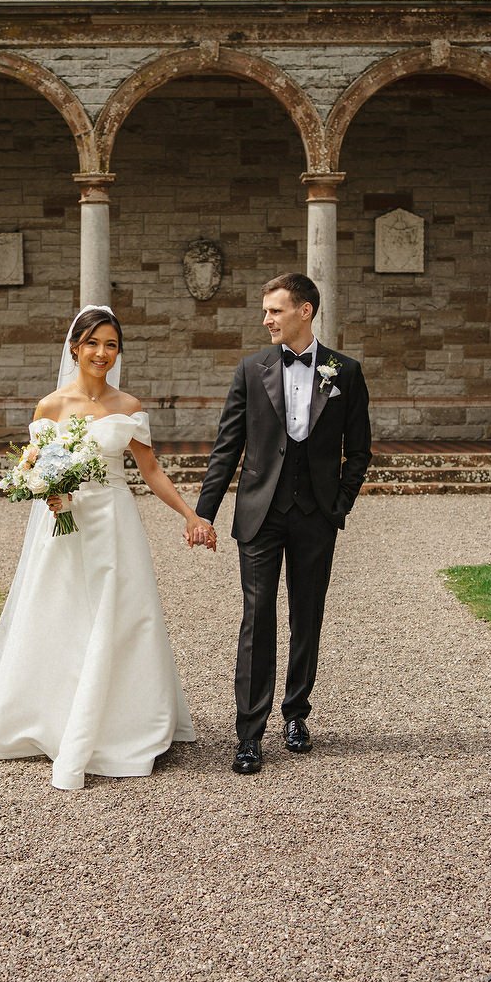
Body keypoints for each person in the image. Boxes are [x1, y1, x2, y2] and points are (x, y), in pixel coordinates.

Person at [0, 305, 209, 791]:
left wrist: (190, 515)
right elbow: (29, 469)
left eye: (112, 345)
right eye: (94, 343)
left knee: (124, 617)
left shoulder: (128, 406)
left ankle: (127, 722)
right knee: (59, 615)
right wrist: (44, 490)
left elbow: (152, 471)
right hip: (64, 525)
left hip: (115, 523)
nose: (102, 353)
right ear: (75, 347)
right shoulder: (50, 407)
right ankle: (53, 717)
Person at [191, 272, 372, 775]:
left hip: (317, 514)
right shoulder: (251, 370)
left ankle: (296, 714)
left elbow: (358, 451)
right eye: (265, 311)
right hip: (260, 513)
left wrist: (339, 504)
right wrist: (204, 511)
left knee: (307, 616)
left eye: (275, 310)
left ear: (305, 311)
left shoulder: (345, 371)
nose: (266, 319)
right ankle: (249, 734)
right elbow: (227, 447)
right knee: (257, 617)